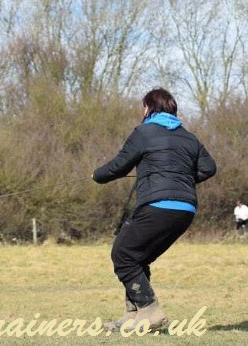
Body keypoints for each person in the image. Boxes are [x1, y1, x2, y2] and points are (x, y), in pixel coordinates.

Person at [92, 87, 216, 331]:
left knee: (123, 254)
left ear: (148, 108)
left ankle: (151, 312)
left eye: (143, 106)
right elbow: (209, 168)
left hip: (158, 205)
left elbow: (119, 165)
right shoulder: (189, 137)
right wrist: (181, 179)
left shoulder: (144, 132)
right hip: (185, 210)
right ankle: (133, 317)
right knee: (139, 257)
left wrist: (96, 175)